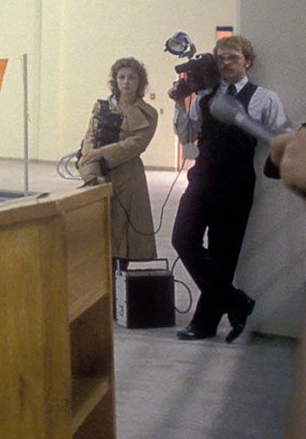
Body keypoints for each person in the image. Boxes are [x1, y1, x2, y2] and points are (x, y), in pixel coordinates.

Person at [170, 34, 288, 342]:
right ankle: (236, 301)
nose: (226, 63)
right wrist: (179, 105)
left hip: (236, 184)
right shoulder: (205, 96)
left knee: (223, 255)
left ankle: (205, 324)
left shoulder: (265, 98)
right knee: (182, 238)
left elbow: (282, 136)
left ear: (247, 61)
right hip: (203, 178)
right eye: (221, 58)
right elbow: (188, 131)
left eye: (233, 58)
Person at [78, 57, 158, 267]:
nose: (126, 82)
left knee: (124, 240)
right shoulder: (101, 107)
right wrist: (90, 167)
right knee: (99, 237)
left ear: (140, 82)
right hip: (99, 176)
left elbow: (137, 144)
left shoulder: (147, 113)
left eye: (132, 77)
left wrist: (102, 152)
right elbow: (89, 138)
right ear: (115, 80)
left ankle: (120, 288)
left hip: (129, 180)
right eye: (121, 77)